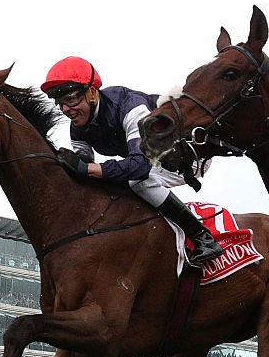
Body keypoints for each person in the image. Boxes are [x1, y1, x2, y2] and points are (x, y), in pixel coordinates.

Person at [41, 56, 224, 267]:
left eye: (72, 100)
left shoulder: (130, 105)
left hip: (185, 154)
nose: (66, 110)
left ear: (92, 92)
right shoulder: (78, 127)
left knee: (137, 181)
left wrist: (89, 168)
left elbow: (140, 167)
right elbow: (83, 170)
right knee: (109, 181)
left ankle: (203, 237)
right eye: (60, 103)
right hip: (149, 158)